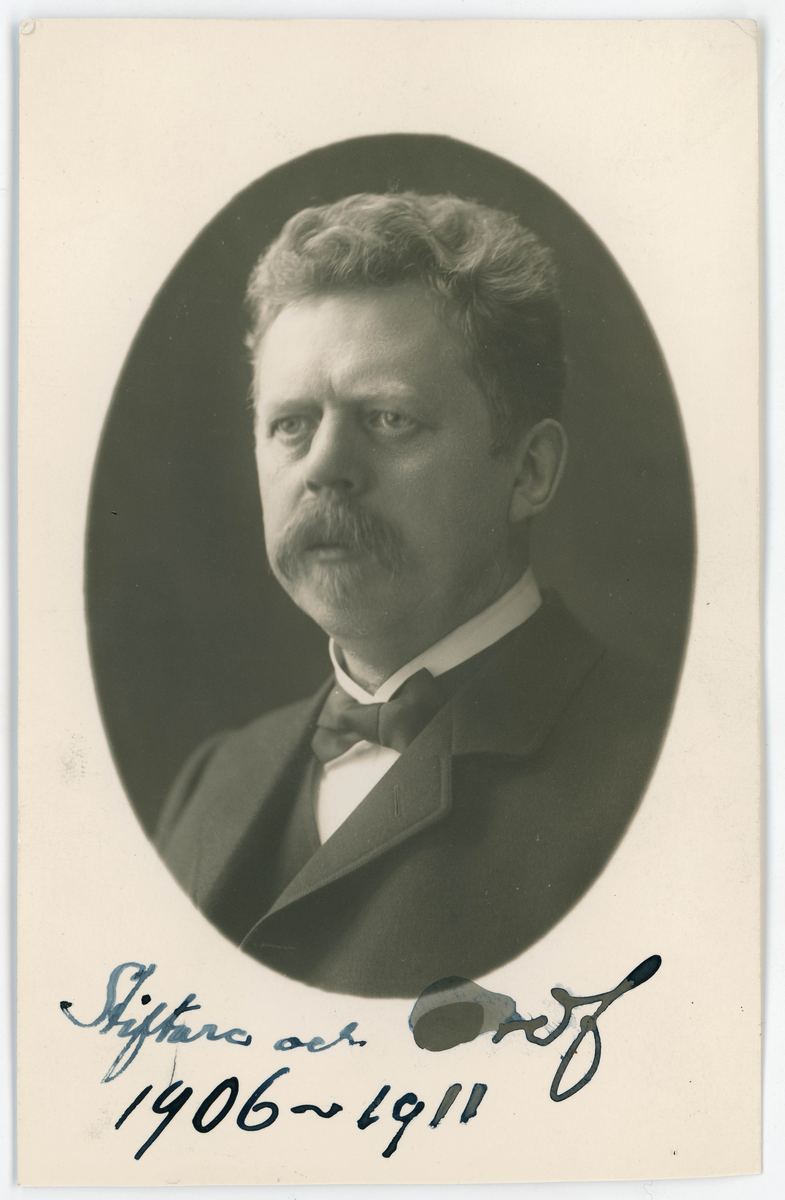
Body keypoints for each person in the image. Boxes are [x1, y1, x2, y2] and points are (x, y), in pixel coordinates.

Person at [156, 192, 672, 998]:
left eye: (389, 418)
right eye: (291, 424)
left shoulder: (669, 770)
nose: (325, 467)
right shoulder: (212, 781)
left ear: (528, 471)